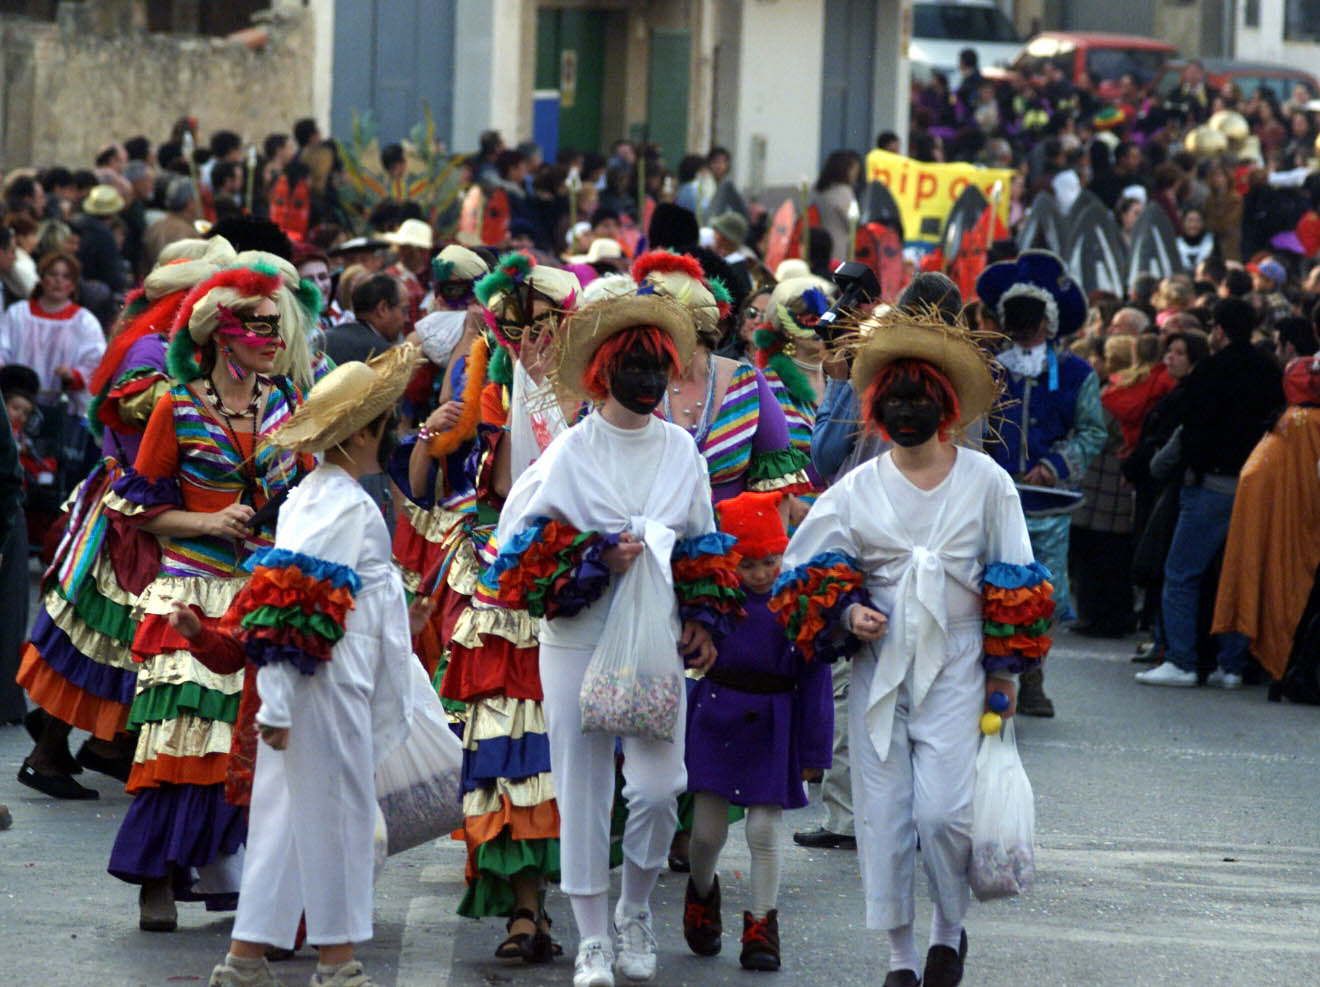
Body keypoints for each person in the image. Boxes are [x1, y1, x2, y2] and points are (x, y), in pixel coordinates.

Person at [771, 304, 1051, 987]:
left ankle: (947, 933)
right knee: (886, 817)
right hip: (881, 672)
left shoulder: (988, 483)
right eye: (893, 397)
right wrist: (847, 611)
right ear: (874, 405)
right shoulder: (858, 488)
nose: (905, 409)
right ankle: (901, 958)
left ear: (946, 405)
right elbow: (799, 573)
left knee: (944, 814)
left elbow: (1016, 573)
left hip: (959, 666)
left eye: (919, 397)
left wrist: (1005, 674)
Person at [485, 291, 741, 987]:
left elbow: (701, 541)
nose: (647, 379)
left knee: (662, 789)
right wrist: (596, 558)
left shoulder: (682, 451)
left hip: (654, 636)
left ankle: (634, 909)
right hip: (577, 636)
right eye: (632, 364)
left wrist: (703, 618)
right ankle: (593, 937)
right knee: (585, 787)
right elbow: (518, 553)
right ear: (603, 369)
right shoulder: (570, 453)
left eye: (657, 365)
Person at [199, 346, 418, 987]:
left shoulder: (313, 495)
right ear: (369, 431)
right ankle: (335, 959)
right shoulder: (344, 507)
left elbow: (282, 601)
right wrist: (280, 702)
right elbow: (292, 604)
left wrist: (276, 698)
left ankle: (248, 956)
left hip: (306, 684)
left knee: (285, 817)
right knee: (338, 815)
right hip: (327, 682)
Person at [103, 262, 310, 932]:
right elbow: (138, 509)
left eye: (276, 327)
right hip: (188, 586)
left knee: (245, 739)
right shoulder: (178, 404)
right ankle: (155, 878)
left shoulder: (285, 405)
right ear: (224, 337)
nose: (272, 339)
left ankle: (244, 871)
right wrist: (207, 522)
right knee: (178, 737)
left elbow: (309, 490)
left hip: (259, 587)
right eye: (258, 327)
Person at [395, 253, 582, 962]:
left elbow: (589, 477)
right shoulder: (489, 376)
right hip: (496, 586)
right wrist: (428, 434)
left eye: (541, 325)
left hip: (574, 586)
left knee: (576, 760)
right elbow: (428, 473)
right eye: (514, 324)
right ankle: (524, 910)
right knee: (511, 750)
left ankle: (591, 910)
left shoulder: (595, 395)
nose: (527, 337)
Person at [15, 238, 237, 800]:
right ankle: (56, 752)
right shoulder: (150, 351)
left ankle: (101, 746)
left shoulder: (152, 343)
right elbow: (139, 414)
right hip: (130, 512)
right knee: (104, 634)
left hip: (138, 507)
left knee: (108, 634)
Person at [681, 490, 832, 972]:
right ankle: (702, 891)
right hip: (717, 714)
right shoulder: (713, 604)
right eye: (749, 565)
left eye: (771, 560)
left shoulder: (797, 603)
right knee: (705, 833)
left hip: (774, 721)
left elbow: (816, 680)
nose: (763, 574)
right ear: (730, 563)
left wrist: (814, 750)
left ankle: (762, 924)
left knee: (765, 830)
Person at [977, 250, 1107, 716]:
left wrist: (1055, 463)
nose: (1023, 331)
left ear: (1049, 324)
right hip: (989, 497)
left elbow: (1093, 430)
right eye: (1016, 320)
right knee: (987, 588)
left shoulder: (1076, 373)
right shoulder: (985, 367)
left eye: (1031, 322)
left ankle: (1032, 676)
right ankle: (992, 675)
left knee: (1038, 597)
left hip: (1047, 504)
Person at [1137, 297, 1285, 688]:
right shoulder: (1269, 371)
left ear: (1218, 330)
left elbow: (1192, 428)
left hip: (1209, 486)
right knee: (1238, 575)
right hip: (1254, 486)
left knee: (1182, 573)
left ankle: (1182, 661)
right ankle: (1232, 665)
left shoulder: (1212, 371)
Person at [1211, 354, 1320, 682]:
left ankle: (1241, 662)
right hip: (1302, 527)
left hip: (1273, 523)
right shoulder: (1300, 425)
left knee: (1253, 576)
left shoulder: (1290, 424)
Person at [0, 251, 106, 418]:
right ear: (42, 279)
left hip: (60, 408)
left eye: (66, 276)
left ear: (72, 285)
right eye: (53, 274)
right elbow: (2, 346)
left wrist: (73, 375)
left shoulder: (84, 321)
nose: (58, 281)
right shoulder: (18, 313)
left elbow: (95, 361)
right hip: (14, 403)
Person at [324, 272, 410, 366]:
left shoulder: (326, 338)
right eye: (404, 310)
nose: (407, 319)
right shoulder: (382, 356)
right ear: (382, 309)